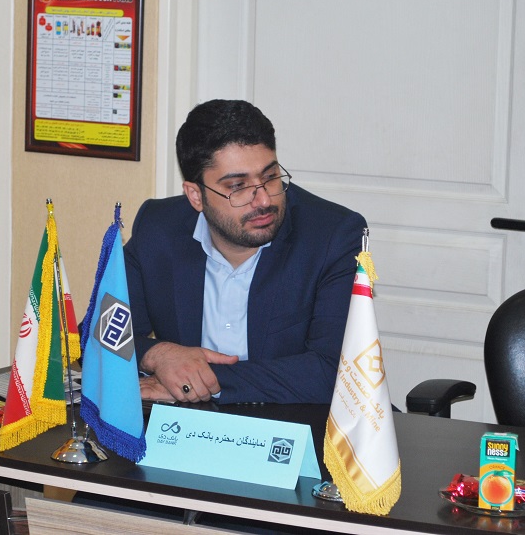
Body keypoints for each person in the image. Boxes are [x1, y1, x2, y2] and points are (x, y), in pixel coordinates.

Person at [124, 99, 367, 405]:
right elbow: (98, 335)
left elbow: (334, 373)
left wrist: (195, 379)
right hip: (188, 426)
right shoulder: (158, 229)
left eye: (270, 177)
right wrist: (159, 355)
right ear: (196, 195)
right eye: (238, 186)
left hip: (296, 423)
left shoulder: (333, 236)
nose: (264, 200)